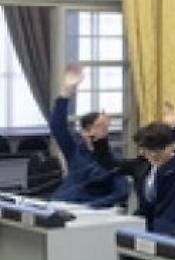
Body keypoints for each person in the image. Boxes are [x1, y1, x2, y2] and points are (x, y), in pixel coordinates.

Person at [93, 101, 175, 236]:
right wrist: (100, 140)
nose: (153, 155)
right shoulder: (142, 164)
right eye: (148, 150)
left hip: (174, 228)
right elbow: (110, 164)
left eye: (159, 150)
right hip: (144, 224)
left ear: (172, 146)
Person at [46, 65, 129, 207]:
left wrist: (90, 207)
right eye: (98, 126)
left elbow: (121, 193)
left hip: (87, 211)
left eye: (106, 126)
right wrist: (65, 92)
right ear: (84, 132)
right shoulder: (75, 150)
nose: (103, 130)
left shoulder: (114, 159)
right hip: (61, 203)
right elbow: (57, 127)